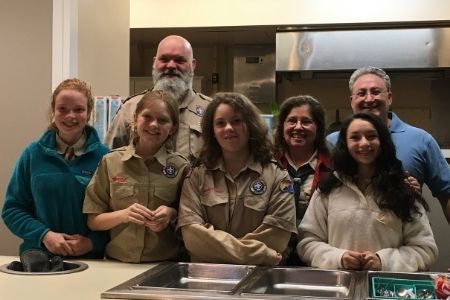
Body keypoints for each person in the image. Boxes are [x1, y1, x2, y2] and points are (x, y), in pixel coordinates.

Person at [298, 112, 438, 272]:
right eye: (355, 137)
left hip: (388, 289)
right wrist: (339, 258)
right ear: (345, 143)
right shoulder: (327, 190)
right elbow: (307, 242)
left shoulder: (403, 189)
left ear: (382, 141)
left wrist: (384, 261)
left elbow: (425, 249)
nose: (364, 143)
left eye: (371, 136)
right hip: (339, 288)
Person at [177, 92, 296, 266]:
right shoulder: (197, 175)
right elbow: (192, 238)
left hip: (260, 279)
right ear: (212, 131)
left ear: (250, 124)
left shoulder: (277, 176)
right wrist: (259, 253)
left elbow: (277, 239)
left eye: (236, 121)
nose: (228, 128)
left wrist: (218, 249)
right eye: (220, 123)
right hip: (208, 279)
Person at [327, 66, 450, 224]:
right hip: (347, 241)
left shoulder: (421, 140)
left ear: (389, 97)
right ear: (352, 101)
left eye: (376, 92)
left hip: (405, 242)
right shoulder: (332, 142)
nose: (369, 99)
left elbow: (446, 193)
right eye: (362, 93)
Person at [2, 78, 109, 258]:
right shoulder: (31, 155)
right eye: (62, 109)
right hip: (38, 259)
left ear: (89, 112)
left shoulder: (106, 158)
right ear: (53, 110)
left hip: (90, 263)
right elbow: (12, 210)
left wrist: (92, 242)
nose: (70, 116)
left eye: (79, 109)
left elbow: (115, 215)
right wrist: (45, 235)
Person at [83, 90, 190, 263]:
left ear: (173, 128)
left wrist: (171, 214)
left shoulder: (181, 167)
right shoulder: (111, 162)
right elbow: (93, 221)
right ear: (134, 119)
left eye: (163, 120)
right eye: (147, 117)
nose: (154, 125)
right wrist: (124, 215)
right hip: (117, 263)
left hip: (164, 264)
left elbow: (191, 220)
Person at [104, 35, 211, 161]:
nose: (171, 66)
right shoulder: (130, 108)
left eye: (179, 60)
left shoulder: (210, 110)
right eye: (164, 59)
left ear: (193, 65)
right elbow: (109, 160)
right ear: (154, 62)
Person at [272, 95, 332, 265]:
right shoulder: (267, 164)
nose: (298, 127)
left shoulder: (335, 167)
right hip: (275, 257)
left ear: (318, 128)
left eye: (306, 121)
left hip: (318, 257)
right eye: (291, 121)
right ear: (282, 126)